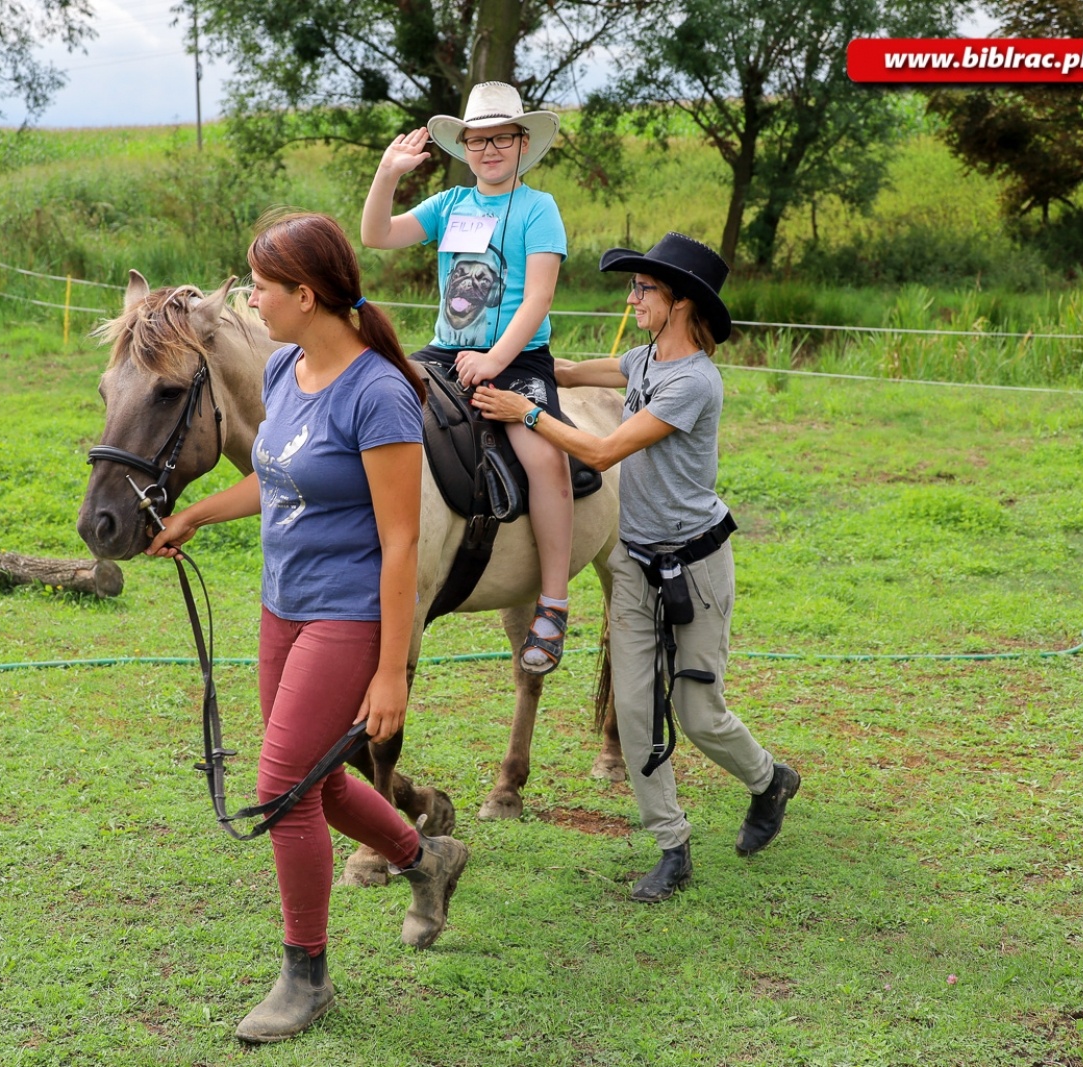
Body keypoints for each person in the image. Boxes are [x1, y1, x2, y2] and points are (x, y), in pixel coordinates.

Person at [147, 212, 470, 1042]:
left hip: (348, 614)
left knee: (281, 790)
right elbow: (278, 477)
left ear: (306, 293)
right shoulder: (289, 367)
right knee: (316, 784)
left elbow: (401, 541)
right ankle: (425, 857)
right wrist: (198, 515)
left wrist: (391, 670)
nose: (250, 298)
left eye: (260, 285)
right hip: (281, 606)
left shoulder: (380, 394)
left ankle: (307, 975)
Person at [470, 231, 800, 903]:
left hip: (697, 566)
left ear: (678, 301)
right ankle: (671, 846)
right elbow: (572, 371)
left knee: (698, 712)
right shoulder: (646, 357)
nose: (632, 297)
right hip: (636, 562)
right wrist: (515, 361)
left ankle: (770, 780)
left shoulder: (693, 383)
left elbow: (602, 450)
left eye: (642, 288)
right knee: (634, 708)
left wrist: (524, 411)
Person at [361, 81, 575, 675]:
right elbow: (376, 235)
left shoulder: (539, 209)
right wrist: (388, 174)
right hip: (443, 353)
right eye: (478, 140)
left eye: (500, 138)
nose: (489, 150)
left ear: (521, 142)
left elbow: (538, 298)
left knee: (545, 458)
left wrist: (495, 361)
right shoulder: (450, 205)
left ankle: (553, 602)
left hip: (516, 357)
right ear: (465, 147)